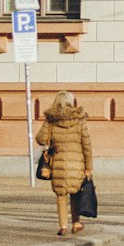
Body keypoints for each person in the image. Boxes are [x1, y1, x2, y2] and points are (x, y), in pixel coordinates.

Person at [35, 90, 93, 237]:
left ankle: (63, 226)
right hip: (77, 164)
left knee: (61, 194)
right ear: (71, 101)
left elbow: (40, 139)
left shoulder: (51, 119)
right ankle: (76, 223)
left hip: (58, 164)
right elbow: (87, 145)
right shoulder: (79, 120)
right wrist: (89, 167)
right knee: (75, 194)